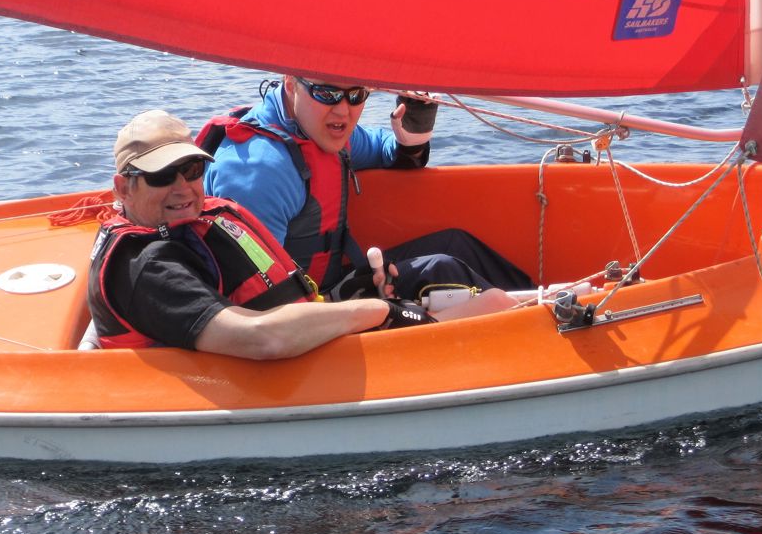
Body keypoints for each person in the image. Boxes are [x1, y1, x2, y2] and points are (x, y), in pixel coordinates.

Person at [87, 110, 512, 357]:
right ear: (123, 187)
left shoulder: (190, 227)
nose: (183, 187)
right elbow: (261, 337)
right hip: (288, 367)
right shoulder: (147, 265)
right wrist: (379, 312)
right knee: (492, 307)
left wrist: (365, 295)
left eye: (192, 170)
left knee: (476, 289)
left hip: (311, 344)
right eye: (162, 176)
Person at [201, 77, 535, 302]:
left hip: (329, 284)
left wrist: (411, 137)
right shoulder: (260, 171)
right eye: (326, 93)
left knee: (456, 244)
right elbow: (259, 301)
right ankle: (539, 335)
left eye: (356, 94)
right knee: (441, 268)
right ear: (291, 83)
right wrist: (352, 301)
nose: (343, 110)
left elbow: (383, 148)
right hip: (301, 308)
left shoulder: (317, 129)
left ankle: (543, 302)